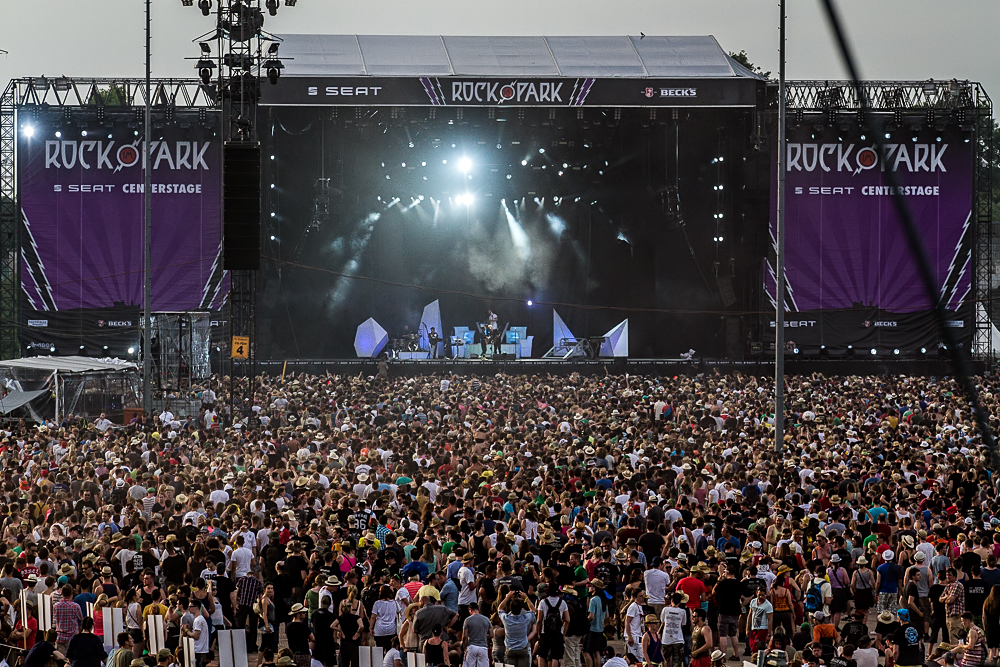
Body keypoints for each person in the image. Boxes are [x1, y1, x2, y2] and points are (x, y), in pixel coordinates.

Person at [462, 603, 492, 667]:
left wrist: (464, 647)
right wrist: (483, 636)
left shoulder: (468, 620)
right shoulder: (487, 619)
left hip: (472, 646)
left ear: (470, 610)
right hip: (483, 648)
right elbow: (491, 635)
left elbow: (464, 636)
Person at [748, 586, 773, 654]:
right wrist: (747, 628)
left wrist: (769, 634)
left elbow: (770, 620)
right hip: (754, 628)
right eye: (759, 595)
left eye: (763, 595)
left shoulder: (768, 605)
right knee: (752, 647)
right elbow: (750, 615)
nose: (761, 597)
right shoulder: (753, 602)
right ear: (756, 593)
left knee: (757, 647)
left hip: (762, 629)